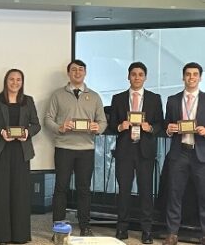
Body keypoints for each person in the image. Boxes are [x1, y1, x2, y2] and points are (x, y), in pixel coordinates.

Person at [44, 59, 107, 236]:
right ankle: (58, 226)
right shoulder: (57, 95)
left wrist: (98, 128)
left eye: (81, 70)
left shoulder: (94, 96)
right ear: (68, 73)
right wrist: (60, 127)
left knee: (84, 189)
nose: (77, 72)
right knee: (61, 187)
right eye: (74, 70)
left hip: (86, 149)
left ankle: (85, 226)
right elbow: (48, 119)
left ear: (85, 73)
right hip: (64, 147)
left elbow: (102, 121)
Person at [0, 69, 41, 244]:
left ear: (22, 82)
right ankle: (0, 235)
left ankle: (20, 235)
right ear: (5, 81)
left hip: (21, 151)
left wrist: (27, 133)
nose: (15, 83)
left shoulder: (28, 101)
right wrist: (0, 132)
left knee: (20, 193)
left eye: (18, 80)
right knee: (0, 193)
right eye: (11, 79)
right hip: (0, 151)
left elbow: (36, 125)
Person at [109, 62, 163, 244]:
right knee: (123, 191)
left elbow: (160, 124)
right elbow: (111, 124)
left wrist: (150, 128)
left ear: (145, 77)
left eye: (140, 74)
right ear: (128, 76)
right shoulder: (118, 98)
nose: (137, 77)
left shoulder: (155, 98)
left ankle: (147, 231)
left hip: (145, 151)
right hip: (125, 150)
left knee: (146, 192)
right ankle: (122, 228)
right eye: (134, 74)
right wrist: (119, 126)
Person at [162, 62, 205, 245]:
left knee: (204, 196)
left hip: (201, 154)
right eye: (188, 74)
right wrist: (169, 129)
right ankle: (172, 234)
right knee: (174, 194)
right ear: (183, 77)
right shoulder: (172, 99)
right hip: (179, 154)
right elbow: (166, 125)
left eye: (195, 74)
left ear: (200, 77)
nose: (191, 77)